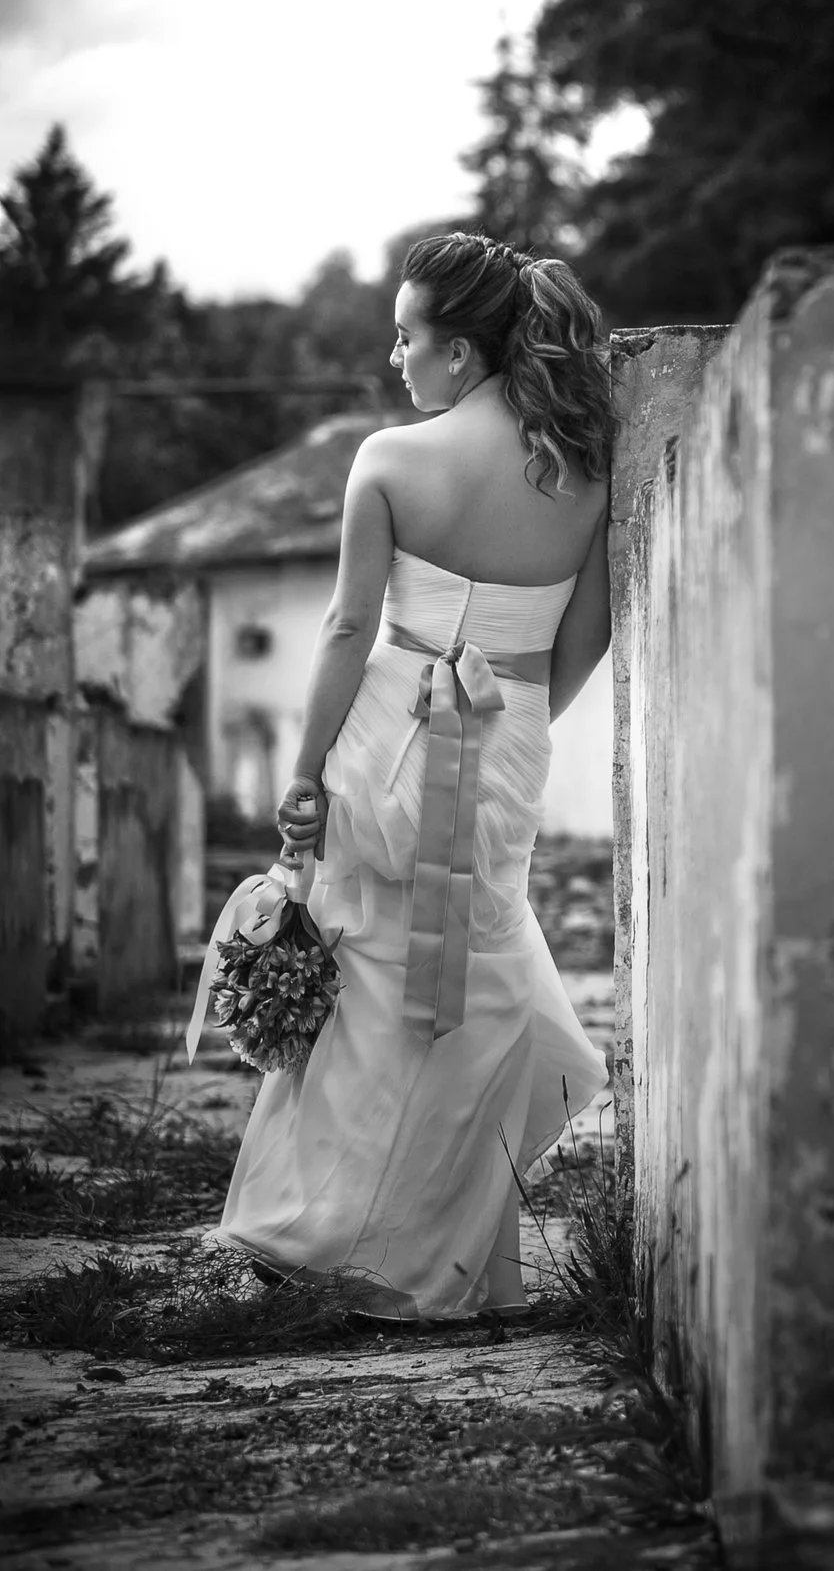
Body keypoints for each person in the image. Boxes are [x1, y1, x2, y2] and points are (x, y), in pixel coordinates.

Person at [207, 232, 615, 1321]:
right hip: (510, 728)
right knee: (474, 979)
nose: (396, 358)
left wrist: (305, 774)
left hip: (385, 728)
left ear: (464, 354)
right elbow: (588, 637)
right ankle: (440, 1250)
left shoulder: (388, 461)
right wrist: (505, 727)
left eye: (407, 336)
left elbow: (347, 626)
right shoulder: (584, 469)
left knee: (364, 972)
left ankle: (318, 1228)